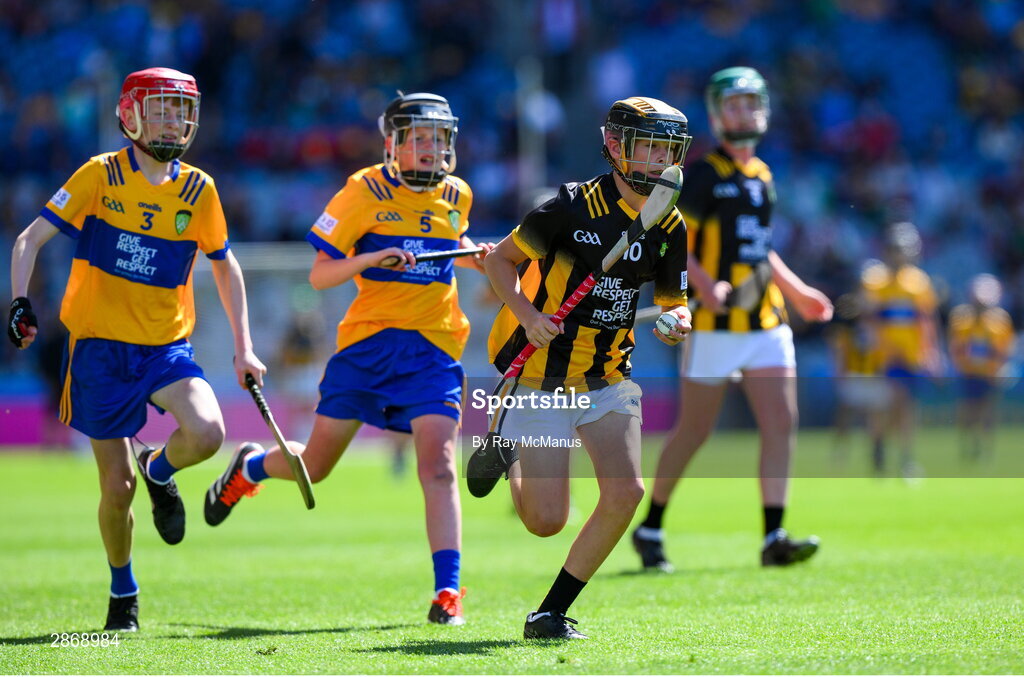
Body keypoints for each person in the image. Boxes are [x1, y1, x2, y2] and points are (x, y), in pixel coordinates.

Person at [203, 92, 492, 626]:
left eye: (440, 138)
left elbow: (450, 239)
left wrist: (475, 257)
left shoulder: (458, 194)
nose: (432, 148)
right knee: (316, 464)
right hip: (367, 348)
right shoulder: (364, 190)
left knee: (440, 466)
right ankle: (249, 466)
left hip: (434, 349)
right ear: (395, 143)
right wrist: (371, 258)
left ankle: (447, 592)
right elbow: (320, 274)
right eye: (420, 138)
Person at [8, 67, 266, 632]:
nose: (176, 119)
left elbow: (226, 266)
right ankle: (123, 589)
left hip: (165, 348)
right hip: (99, 352)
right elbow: (29, 239)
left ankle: (160, 467)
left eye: (183, 109)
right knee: (115, 489)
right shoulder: (99, 176)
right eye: (164, 108)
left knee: (208, 432)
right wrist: (20, 303)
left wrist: (244, 348)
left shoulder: (199, 190)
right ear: (130, 114)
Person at [470, 96, 693, 639]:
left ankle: (549, 613)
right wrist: (526, 316)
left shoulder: (670, 223)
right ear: (617, 148)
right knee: (546, 522)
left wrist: (677, 319)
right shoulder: (568, 208)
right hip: (540, 375)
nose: (660, 161)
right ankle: (509, 451)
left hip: (609, 375)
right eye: (649, 148)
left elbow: (673, 302)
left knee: (626, 493)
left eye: (669, 150)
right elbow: (499, 261)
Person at [633, 67, 833, 573]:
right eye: (734, 103)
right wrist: (702, 284)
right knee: (695, 431)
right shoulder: (702, 175)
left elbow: (762, 253)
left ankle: (773, 536)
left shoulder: (763, 177)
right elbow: (673, 240)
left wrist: (800, 292)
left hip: (766, 323)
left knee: (781, 424)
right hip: (714, 328)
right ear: (718, 112)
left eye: (752, 102)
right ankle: (651, 525)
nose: (744, 111)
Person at [859, 222, 941, 478]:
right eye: (895, 248)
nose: (899, 254)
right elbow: (868, 319)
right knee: (886, 404)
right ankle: (880, 447)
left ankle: (902, 456)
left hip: (910, 356)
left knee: (905, 406)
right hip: (882, 357)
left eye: (903, 249)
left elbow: (926, 321)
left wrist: (931, 353)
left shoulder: (919, 282)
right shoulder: (875, 280)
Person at [947, 274, 1014, 461]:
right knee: (968, 411)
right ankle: (968, 445)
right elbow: (955, 346)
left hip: (990, 374)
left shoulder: (1000, 320)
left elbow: (1006, 348)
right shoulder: (961, 319)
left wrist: (1002, 367)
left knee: (988, 412)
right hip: (968, 373)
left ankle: (986, 448)